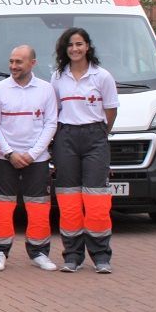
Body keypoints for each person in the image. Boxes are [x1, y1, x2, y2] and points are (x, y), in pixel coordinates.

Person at [51, 28, 119, 274]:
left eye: (79, 44)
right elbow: (54, 110)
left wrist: (99, 133)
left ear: (88, 46)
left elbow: (110, 111)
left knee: (96, 199)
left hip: (95, 137)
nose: (75, 49)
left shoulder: (102, 77)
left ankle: (101, 256)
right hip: (66, 136)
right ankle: (72, 256)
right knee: (68, 199)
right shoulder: (58, 77)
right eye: (70, 45)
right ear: (65, 49)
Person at [0, 45, 59, 272]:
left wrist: (32, 154)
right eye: (11, 61)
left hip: (36, 159)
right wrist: (9, 152)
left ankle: (39, 252)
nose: (13, 66)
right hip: (4, 157)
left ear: (32, 63)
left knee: (38, 207)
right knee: (1, 206)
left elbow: (50, 124)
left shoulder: (46, 89)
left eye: (19, 61)